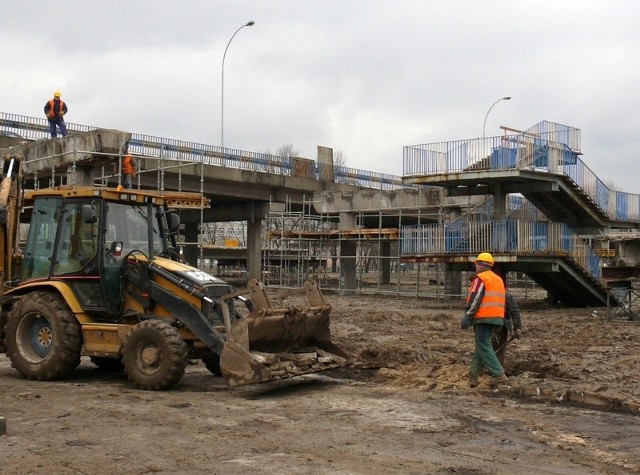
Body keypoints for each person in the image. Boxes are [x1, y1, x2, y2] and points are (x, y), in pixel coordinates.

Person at [460, 252, 509, 388]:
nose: (475, 266)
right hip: (497, 317)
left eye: (476, 264)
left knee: (483, 345)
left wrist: (468, 316)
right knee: (481, 345)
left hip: (483, 317)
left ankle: (498, 374)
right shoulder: (498, 279)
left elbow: (475, 299)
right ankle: (473, 377)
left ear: (481, 265)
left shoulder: (480, 278)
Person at [491, 291, 522, 366]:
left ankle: (496, 370)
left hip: (501, 326)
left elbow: (514, 310)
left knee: (498, 349)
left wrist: (517, 327)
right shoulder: (486, 293)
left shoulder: (506, 295)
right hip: (487, 324)